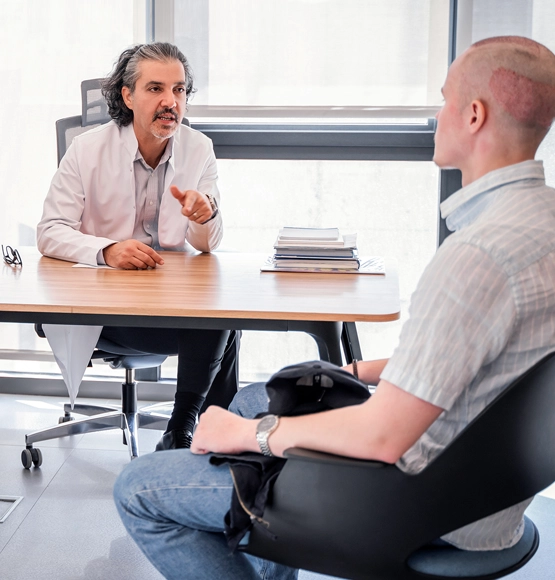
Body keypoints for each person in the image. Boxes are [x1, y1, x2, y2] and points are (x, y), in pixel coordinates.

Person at [113, 35, 555, 579]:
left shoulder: (476, 255)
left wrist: (252, 436)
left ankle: (270, 502)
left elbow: (382, 435)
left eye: (442, 102)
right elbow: (486, 361)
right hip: (488, 501)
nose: (433, 118)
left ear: (473, 115)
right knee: (260, 393)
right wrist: (351, 372)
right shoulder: (542, 224)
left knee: (139, 486)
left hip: (412, 502)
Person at [37, 42, 240, 451]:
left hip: (168, 305)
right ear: (127, 96)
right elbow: (50, 231)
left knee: (225, 313)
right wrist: (107, 250)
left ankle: (193, 434)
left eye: (179, 90)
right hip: (102, 309)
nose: (171, 102)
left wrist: (205, 216)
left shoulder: (199, 148)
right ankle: (202, 437)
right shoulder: (88, 149)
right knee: (226, 329)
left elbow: (207, 247)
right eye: (155, 89)